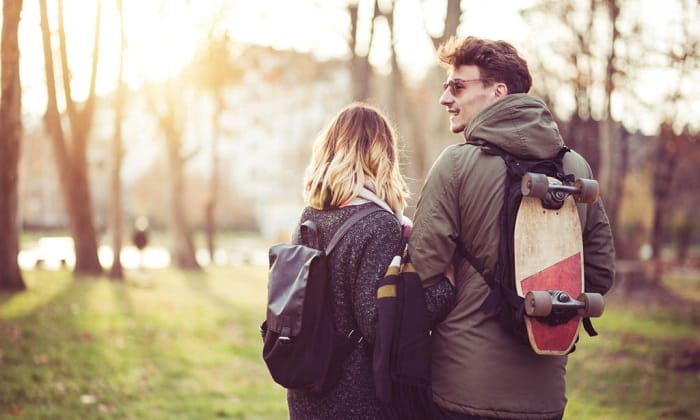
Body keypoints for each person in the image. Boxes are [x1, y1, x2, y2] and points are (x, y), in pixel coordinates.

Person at [407, 36, 616, 419]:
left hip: (462, 391)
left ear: (497, 91)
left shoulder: (455, 166)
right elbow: (599, 272)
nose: (445, 99)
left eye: (457, 86)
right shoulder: (576, 170)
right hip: (545, 397)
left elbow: (420, 273)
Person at [286, 102, 414, 419]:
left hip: (306, 387)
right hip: (356, 397)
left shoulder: (309, 216)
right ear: (382, 154)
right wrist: (447, 288)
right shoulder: (380, 225)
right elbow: (378, 325)